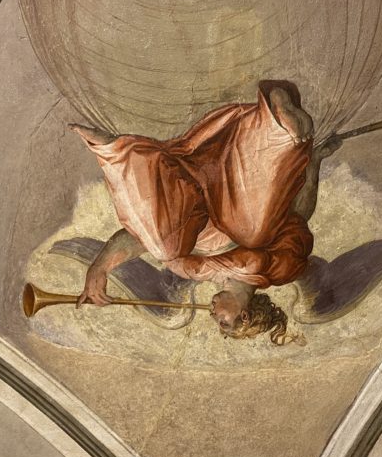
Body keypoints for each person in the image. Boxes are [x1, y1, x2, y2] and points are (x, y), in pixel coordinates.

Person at [69, 80, 341, 344]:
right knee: (252, 232)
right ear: (244, 316)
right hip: (232, 185)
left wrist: (100, 267)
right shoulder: (280, 269)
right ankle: (276, 124)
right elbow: (299, 216)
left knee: (164, 248)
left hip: (186, 201)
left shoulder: (195, 271)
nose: (213, 317)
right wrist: (314, 162)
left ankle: (116, 151)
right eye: (223, 322)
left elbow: (141, 236)